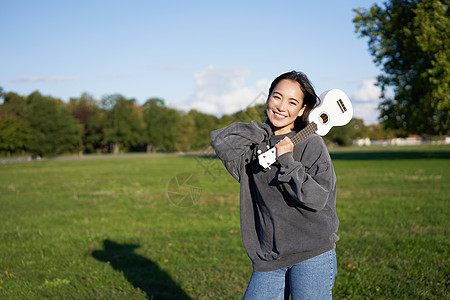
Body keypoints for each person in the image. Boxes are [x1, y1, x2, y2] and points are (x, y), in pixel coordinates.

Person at [210, 71, 339, 299]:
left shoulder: (312, 144)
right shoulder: (254, 147)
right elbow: (223, 141)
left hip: (312, 253)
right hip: (269, 257)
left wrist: (287, 160)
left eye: (292, 102)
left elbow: (317, 198)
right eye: (277, 97)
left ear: (302, 109)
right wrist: (266, 130)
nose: (281, 107)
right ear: (268, 98)